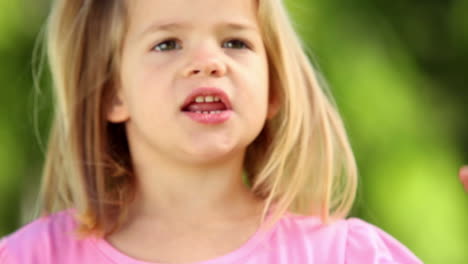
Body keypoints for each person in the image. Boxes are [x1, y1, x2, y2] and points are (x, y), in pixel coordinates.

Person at [0, 0, 423, 263]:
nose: (208, 61)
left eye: (235, 43)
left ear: (274, 87)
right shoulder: (33, 257)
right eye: (167, 44)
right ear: (113, 94)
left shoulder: (345, 256)